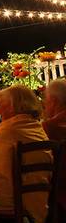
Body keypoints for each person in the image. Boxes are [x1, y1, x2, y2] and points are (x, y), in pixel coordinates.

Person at [0, 86, 51, 223]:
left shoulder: (9, 129)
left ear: (12, 106)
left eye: (1, 105)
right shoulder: (36, 127)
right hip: (36, 197)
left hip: (9, 196)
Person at [42, 79, 66, 213]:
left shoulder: (49, 127)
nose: (44, 105)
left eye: (46, 101)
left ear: (55, 101)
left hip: (58, 192)